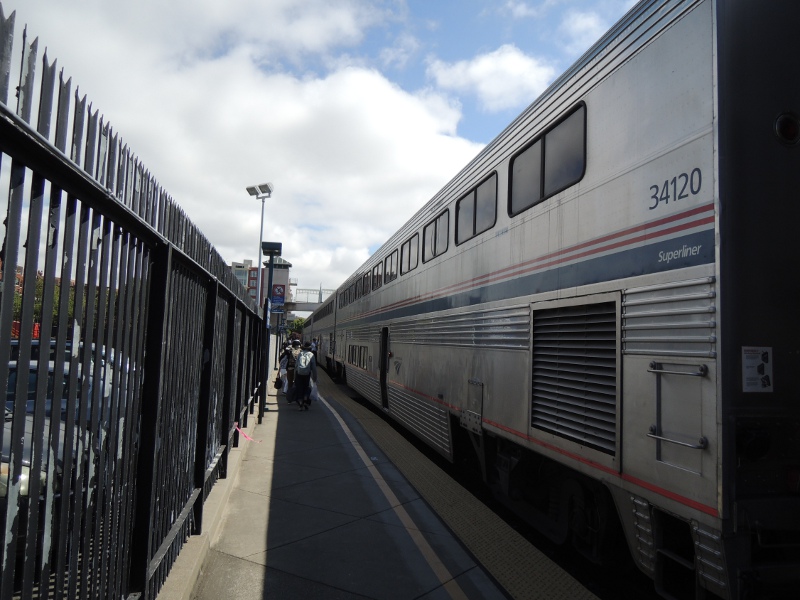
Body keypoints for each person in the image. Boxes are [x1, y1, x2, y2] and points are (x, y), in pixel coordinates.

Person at [292, 340, 317, 410]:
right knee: (307, 387)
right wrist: (315, 378)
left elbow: (296, 366)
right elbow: (314, 368)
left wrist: (294, 377)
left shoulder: (300, 354)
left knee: (299, 388)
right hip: (307, 374)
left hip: (299, 373)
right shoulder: (311, 355)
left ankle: (300, 403)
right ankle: (305, 398)